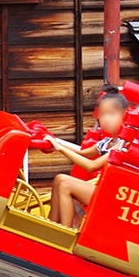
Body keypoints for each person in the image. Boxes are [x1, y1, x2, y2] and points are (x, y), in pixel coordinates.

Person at [46, 87, 129, 228]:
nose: (105, 119)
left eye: (111, 114)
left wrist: (60, 149)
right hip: (104, 190)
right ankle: (51, 225)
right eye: (102, 115)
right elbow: (83, 153)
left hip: (113, 197)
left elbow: (92, 165)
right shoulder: (107, 142)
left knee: (65, 184)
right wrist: (55, 144)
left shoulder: (122, 145)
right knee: (59, 179)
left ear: (125, 115)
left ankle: (65, 232)